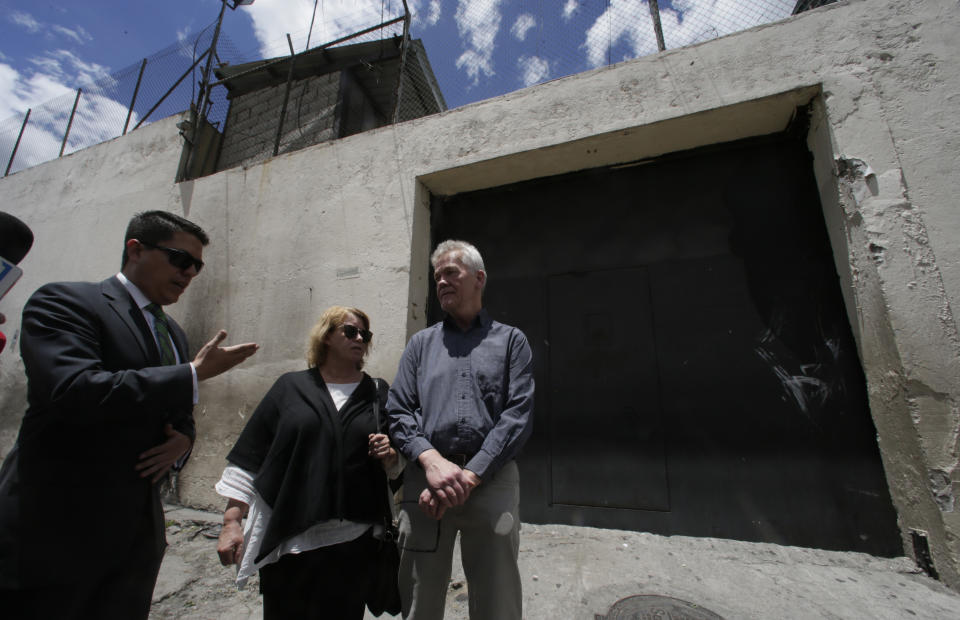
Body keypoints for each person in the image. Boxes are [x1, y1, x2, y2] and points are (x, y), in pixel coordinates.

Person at [0, 210, 259, 619]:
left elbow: (177, 410)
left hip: (134, 539)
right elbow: (72, 390)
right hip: (56, 528)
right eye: (179, 258)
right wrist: (191, 373)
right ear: (135, 250)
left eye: (197, 265)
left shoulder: (171, 331)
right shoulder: (66, 302)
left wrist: (183, 441)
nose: (189, 272)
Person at [215, 305, 401, 619]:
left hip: (352, 545)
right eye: (350, 331)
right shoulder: (290, 387)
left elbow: (397, 467)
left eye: (365, 334)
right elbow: (250, 457)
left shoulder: (377, 393)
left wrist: (391, 456)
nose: (360, 338)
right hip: (291, 541)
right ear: (327, 336)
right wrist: (231, 522)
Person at [387, 240, 535, 620]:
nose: (441, 282)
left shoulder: (511, 342)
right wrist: (433, 462)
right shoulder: (420, 345)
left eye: (451, 272)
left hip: (492, 481)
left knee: (496, 601)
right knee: (419, 599)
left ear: (479, 278)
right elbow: (398, 410)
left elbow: (517, 415)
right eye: (437, 276)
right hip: (425, 485)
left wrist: (469, 477)